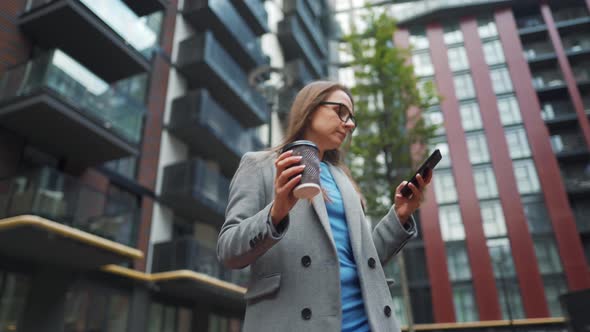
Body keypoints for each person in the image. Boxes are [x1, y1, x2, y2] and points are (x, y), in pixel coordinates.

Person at [217, 81, 432, 332]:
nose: (349, 124)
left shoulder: (344, 180)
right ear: (310, 108)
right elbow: (228, 250)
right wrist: (276, 213)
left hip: (368, 323)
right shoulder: (260, 166)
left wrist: (399, 216)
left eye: (351, 117)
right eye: (341, 111)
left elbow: (365, 261)